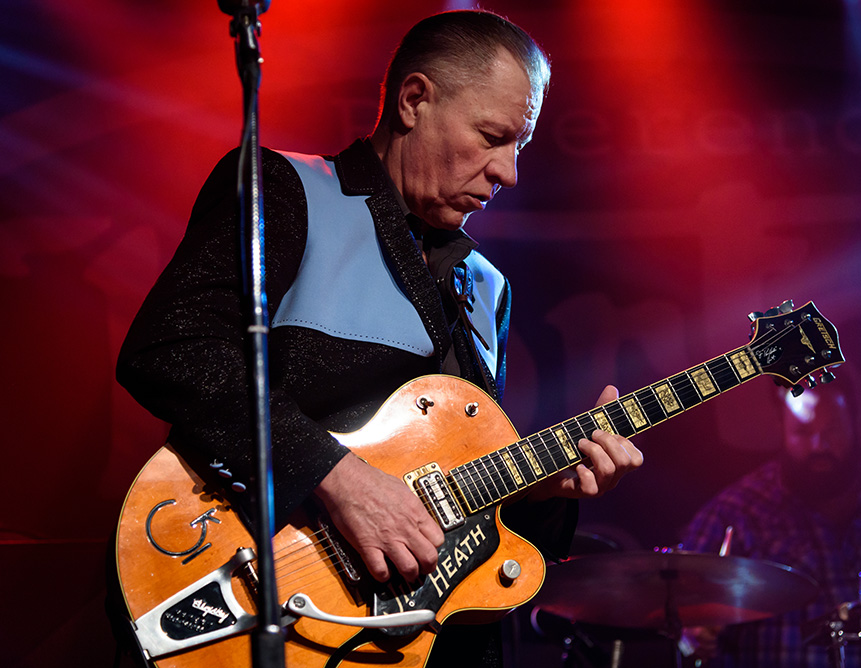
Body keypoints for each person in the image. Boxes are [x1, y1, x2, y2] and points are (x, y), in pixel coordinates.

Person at [113, 9, 642, 668]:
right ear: (414, 100)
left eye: (521, 146)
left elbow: (454, 503)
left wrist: (541, 489)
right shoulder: (288, 190)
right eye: (491, 136)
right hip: (258, 596)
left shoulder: (486, 286)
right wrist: (337, 478)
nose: (508, 172)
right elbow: (170, 348)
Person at [680, 385, 861, 668]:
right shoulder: (735, 515)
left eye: (832, 430)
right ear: (782, 429)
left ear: (853, 422)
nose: (819, 445)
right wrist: (693, 635)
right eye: (803, 431)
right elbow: (679, 611)